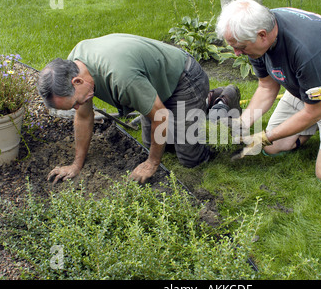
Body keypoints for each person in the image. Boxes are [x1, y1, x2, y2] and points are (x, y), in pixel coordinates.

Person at [216, 0, 321, 186]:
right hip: (303, 91)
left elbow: (315, 112)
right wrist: (242, 122)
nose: (237, 53)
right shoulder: (257, 35)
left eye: (241, 47)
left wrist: (265, 137)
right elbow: (267, 87)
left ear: (262, 35)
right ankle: (320, 128)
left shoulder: (305, 49)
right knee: (272, 149)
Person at [37, 33, 240, 184]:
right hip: (153, 87)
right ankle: (193, 109)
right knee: (158, 145)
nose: (79, 107)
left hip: (184, 79)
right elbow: (83, 117)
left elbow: (160, 115)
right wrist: (76, 164)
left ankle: (220, 100)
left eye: (76, 103)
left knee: (189, 158)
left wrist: (152, 163)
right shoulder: (74, 63)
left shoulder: (121, 78)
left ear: (77, 80)